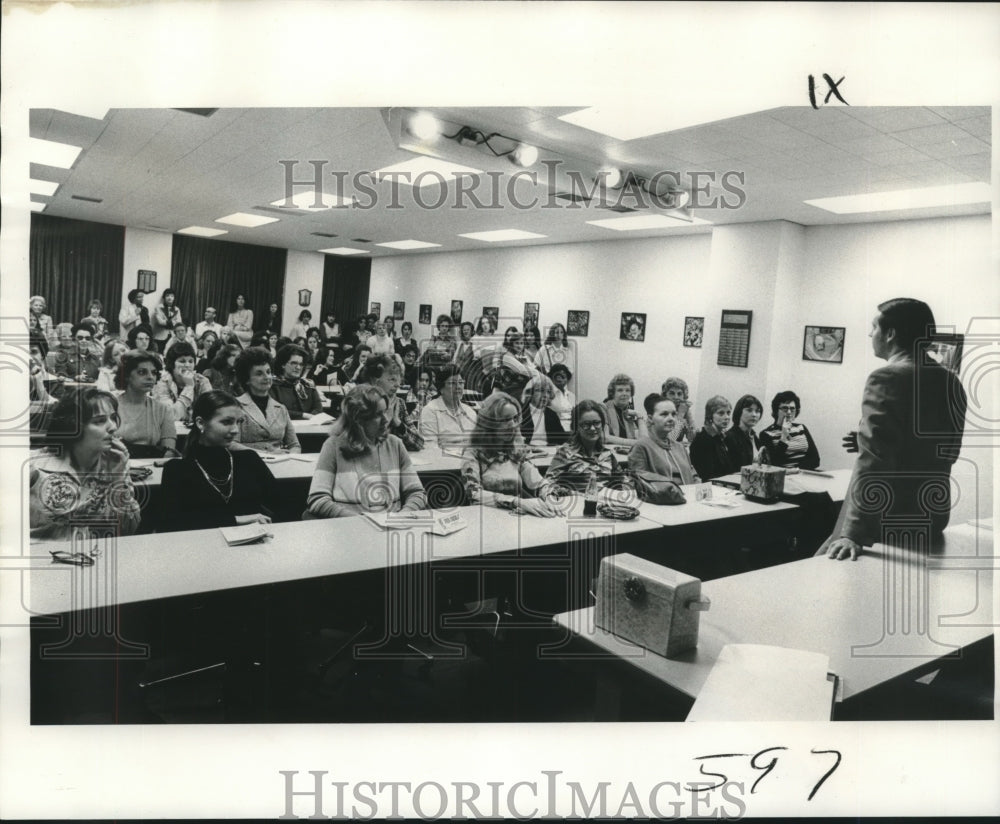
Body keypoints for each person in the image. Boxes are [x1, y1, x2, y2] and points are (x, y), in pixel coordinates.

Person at [819, 298, 967, 561]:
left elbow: (874, 461)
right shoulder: (951, 382)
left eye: (874, 327)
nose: (869, 333)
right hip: (931, 517)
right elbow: (947, 451)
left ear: (890, 334)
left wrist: (853, 533)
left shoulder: (886, 378)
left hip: (883, 522)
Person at [29, 387, 141, 541]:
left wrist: (117, 480)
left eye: (113, 418)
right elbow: (70, 518)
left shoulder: (115, 464)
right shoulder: (35, 466)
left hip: (88, 558)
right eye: (100, 421)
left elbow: (127, 530)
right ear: (73, 426)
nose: (113, 427)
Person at [159, 390, 278, 531]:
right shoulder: (177, 470)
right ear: (201, 423)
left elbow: (282, 504)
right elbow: (170, 523)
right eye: (227, 422)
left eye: (238, 422)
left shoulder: (249, 460)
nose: (235, 430)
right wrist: (236, 520)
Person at [306, 384, 426, 518]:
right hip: (350, 530)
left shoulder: (395, 444)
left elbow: (417, 493)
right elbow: (317, 499)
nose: (386, 420)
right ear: (358, 419)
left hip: (393, 528)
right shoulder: (333, 446)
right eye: (378, 415)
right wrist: (359, 521)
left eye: (386, 412)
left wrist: (404, 514)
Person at [461, 392, 559, 516]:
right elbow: (473, 494)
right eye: (506, 420)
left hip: (513, 516)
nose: (513, 425)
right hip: (484, 517)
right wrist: (516, 502)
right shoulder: (472, 453)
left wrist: (550, 497)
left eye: (515, 418)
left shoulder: (515, 450)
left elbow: (538, 482)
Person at [541, 399, 622, 493]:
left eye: (596, 423)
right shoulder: (565, 453)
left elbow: (623, 484)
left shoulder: (608, 454)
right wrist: (567, 493)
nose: (592, 428)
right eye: (586, 424)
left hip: (605, 504)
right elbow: (546, 487)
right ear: (576, 427)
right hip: (577, 504)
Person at [233, 347, 300, 453]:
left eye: (268, 372)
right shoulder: (235, 406)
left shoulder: (281, 408)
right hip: (249, 463)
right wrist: (267, 454)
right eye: (259, 373)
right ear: (246, 379)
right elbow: (232, 444)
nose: (267, 377)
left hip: (280, 464)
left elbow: (295, 445)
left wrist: (290, 456)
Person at [115, 350, 178, 458]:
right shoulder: (109, 406)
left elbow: (169, 452)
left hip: (151, 469)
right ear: (126, 376)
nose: (150, 377)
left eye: (153, 373)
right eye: (142, 372)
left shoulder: (162, 410)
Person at [628, 394, 700, 485]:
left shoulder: (680, 447)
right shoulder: (641, 447)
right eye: (664, 414)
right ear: (650, 418)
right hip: (663, 497)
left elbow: (693, 475)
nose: (671, 419)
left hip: (690, 496)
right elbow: (639, 483)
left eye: (673, 414)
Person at [357, 354, 420, 449]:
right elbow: (364, 443)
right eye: (392, 380)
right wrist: (386, 420)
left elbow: (419, 442)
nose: (397, 385)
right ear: (375, 380)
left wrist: (398, 424)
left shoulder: (399, 403)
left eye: (399, 380)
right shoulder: (362, 403)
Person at [151, 341, 212, 423]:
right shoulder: (161, 382)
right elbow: (169, 416)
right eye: (182, 361)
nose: (187, 365)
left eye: (191, 361)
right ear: (172, 364)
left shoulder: (202, 381)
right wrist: (189, 387)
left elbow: (211, 412)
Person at [418, 364, 477, 449]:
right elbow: (430, 448)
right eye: (452, 383)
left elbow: (477, 445)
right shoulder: (430, 411)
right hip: (443, 460)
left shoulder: (470, 412)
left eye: (461, 383)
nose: (458, 387)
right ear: (441, 388)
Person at [758, 390, 821, 470]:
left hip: (804, 473)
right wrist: (784, 437)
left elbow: (816, 460)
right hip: (783, 476)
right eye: (784, 408)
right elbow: (774, 463)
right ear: (776, 411)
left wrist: (797, 469)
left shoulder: (801, 428)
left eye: (792, 409)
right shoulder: (766, 434)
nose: (789, 412)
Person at [270, 344, 323, 419]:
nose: (298, 367)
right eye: (294, 363)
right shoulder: (273, 385)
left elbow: (318, 409)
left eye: (301, 364)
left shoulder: (308, 385)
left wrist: (310, 419)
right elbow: (275, 411)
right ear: (283, 364)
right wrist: (303, 415)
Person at [689, 395, 736, 480]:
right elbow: (706, 475)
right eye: (721, 413)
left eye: (728, 413)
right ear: (710, 415)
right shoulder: (703, 440)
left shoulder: (722, 437)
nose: (727, 417)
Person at [520, 374, 566, 446]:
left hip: (549, 452)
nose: (545, 395)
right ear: (530, 393)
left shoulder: (552, 414)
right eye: (541, 390)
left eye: (548, 392)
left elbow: (562, 440)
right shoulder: (520, 412)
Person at [723, 394, 764, 469]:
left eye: (757, 411)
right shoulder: (730, 437)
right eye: (749, 410)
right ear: (739, 412)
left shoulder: (754, 437)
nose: (754, 415)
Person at [603, 373, 642, 445]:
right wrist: (633, 443)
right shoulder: (604, 408)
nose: (624, 393)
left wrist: (639, 415)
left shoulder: (628, 411)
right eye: (620, 390)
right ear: (612, 393)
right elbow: (606, 437)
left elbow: (641, 439)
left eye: (627, 390)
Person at [661, 377, 697, 445]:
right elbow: (669, 440)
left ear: (684, 396)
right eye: (672, 393)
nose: (676, 397)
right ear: (665, 395)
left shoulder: (682, 408)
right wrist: (681, 414)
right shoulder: (661, 411)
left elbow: (692, 439)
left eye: (679, 394)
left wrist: (688, 416)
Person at [547, 363, 575, 432]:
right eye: (557, 376)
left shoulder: (571, 395)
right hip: (556, 429)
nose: (559, 379)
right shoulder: (548, 394)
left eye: (563, 377)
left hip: (573, 428)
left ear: (567, 379)